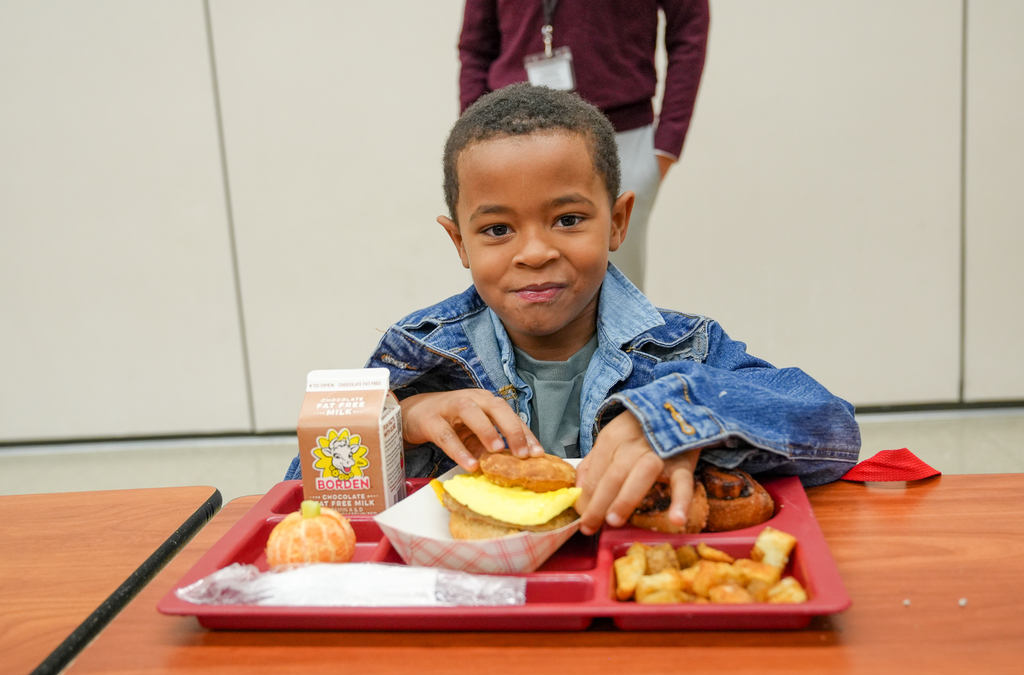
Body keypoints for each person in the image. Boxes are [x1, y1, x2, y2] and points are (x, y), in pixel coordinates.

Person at [285, 84, 860, 536]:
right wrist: (401, 422)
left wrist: (674, 417)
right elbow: (303, 493)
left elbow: (831, 428)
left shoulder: (685, 348)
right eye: (497, 229)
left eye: (568, 219)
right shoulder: (421, 350)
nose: (535, 253)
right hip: (470, 611)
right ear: (458, 242)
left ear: (617, 221)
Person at [457, 0, 710, 290]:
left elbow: (690, 27)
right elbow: (475, 45)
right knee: (514, 291)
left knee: (617, 297)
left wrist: (667, 143)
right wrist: (474, 139)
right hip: (509, 139)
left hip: (620, 136)